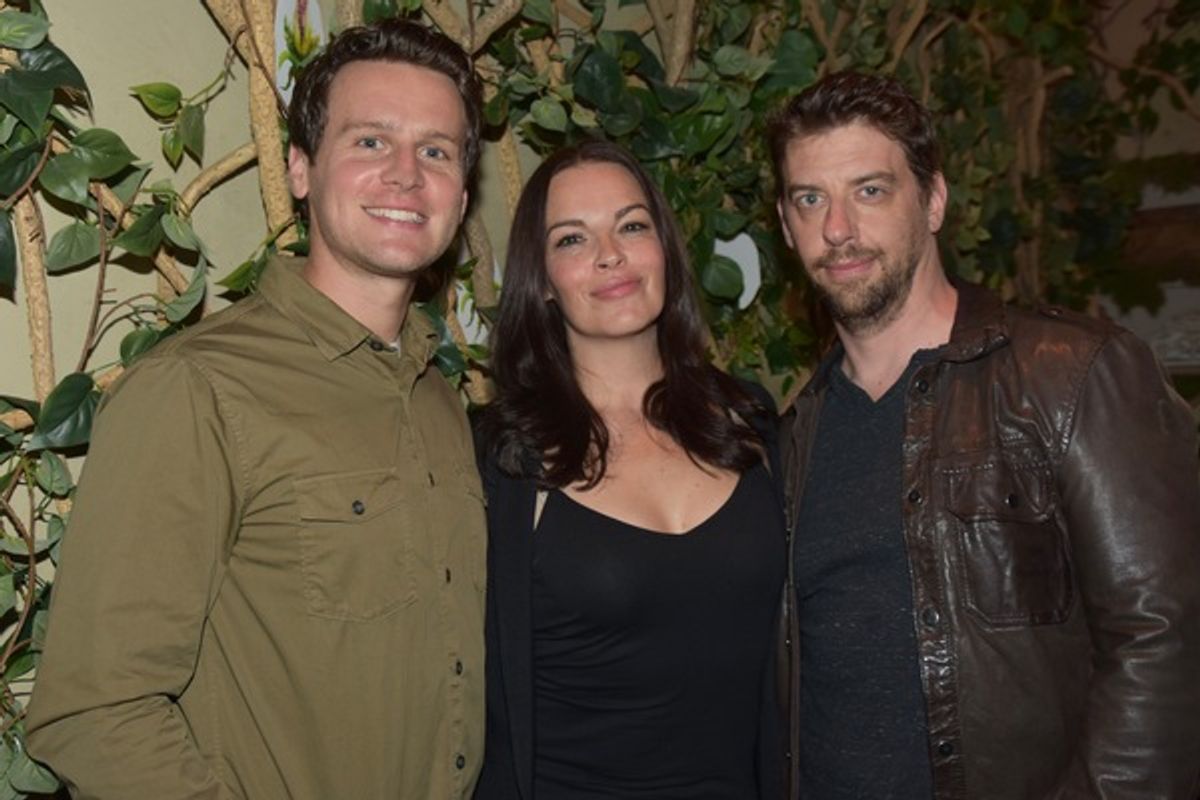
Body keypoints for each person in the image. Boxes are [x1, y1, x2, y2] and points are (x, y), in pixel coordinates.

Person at [27, 19, 487, 799]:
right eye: (371, 142)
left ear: (462, 195)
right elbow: (95, 712)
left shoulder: (442, 399)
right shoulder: (198, 389)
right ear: (301, 170)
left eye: (436, 150)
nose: (407, 175)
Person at [767, 70, 1200, 799]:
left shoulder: (1071, 376)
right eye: (810, 199)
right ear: (785, 225)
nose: (837, 228)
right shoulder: (794, 434)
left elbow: (1168, 641)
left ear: (932, 201)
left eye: (870, 190)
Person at [473, 139, 787, 800]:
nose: (609, 254)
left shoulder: (750, 424)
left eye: (631, 226)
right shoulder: (501, 460)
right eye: (571, 240)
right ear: (544, 282)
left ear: (665, 250)